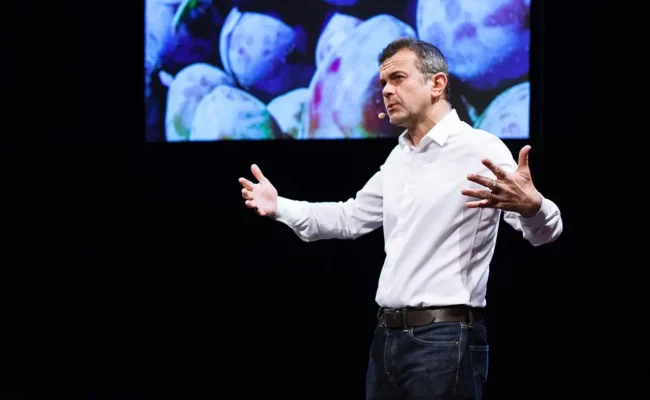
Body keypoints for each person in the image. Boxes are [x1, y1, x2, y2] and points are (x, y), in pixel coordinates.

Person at [238, 37, 563, 399]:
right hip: (388, 338)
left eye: (397, 78)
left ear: (436, 84)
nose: (386, 91)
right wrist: (279, 205)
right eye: (382, 84)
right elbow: (349, 217)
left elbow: (543, 233)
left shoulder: (479, 148)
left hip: (445, 338)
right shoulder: (400, 158)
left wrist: (534, 207)